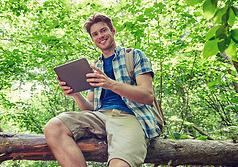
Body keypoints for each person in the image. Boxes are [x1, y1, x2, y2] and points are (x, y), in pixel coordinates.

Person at [44, 13, 160, 167]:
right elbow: (89, 108)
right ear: (92, 39)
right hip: (99, 117)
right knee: (54, 127)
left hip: (130, 117)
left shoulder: (134, 56)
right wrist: (76, 95)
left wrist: (111, 84)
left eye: (103, 30)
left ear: (113, 30)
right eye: (95, 34)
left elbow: (148, 96)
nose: (100, 36)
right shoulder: (94, 67)